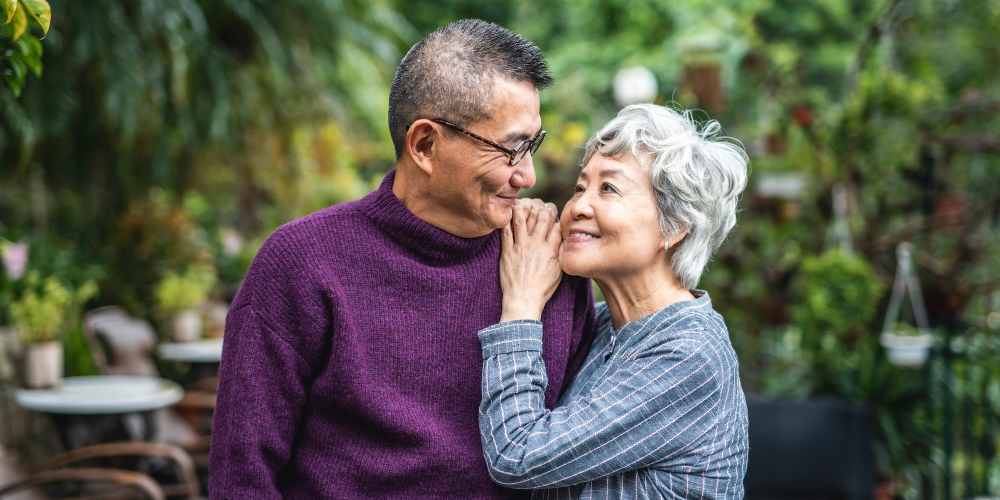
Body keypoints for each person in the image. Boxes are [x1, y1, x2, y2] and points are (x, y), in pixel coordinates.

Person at [209, 19, 596, 499]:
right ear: (425, 146)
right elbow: (242, 477)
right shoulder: (302, 264)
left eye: (532, 145)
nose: (528, 175)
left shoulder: (549, 264)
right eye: (511, 149)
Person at [477, 104, 750, 499]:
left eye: (608, 188)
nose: (578, 207)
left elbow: (518, 453)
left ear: (673, 228)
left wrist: (520, 304)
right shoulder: (605, 327)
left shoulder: (689, 356)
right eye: (580, 187)